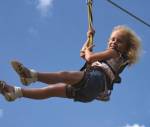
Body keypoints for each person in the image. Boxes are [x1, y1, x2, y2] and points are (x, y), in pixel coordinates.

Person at [0, 25, 141, 103]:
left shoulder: (115, 54)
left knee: (64, 75)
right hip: (89, 93)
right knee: (51, 91)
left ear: (126, 47)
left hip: (95, 81)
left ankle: (31, 75)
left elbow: (89, 58)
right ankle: (16, 92)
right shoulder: (108, 57)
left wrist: (87, 51)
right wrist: (88, 40)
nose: (114, 42)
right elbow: (83, 54)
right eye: (112, 39)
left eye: (119, 41)